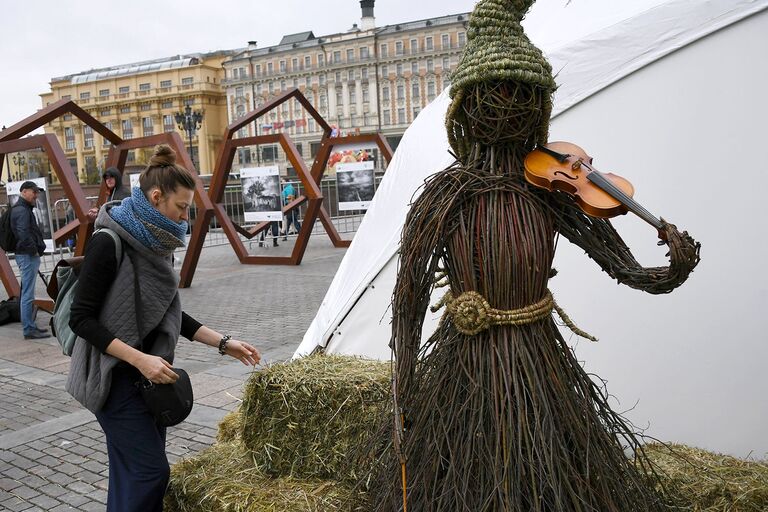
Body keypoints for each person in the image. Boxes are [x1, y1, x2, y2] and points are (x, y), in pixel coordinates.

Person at [66, 144, 261, 512]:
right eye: (182, 207)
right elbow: (81, 319)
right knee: (150, 473)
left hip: (148, 381)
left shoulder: (156, 245)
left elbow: (170, 312)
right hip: (112, 379)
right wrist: (141, 360)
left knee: (130, 473)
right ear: (156, 197)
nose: (185, 218)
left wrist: (224, 343)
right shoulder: (108, 241)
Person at [10, 181, 50, 340]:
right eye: (34, 192)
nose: (36, 195)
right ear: (24, 191)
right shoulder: (22, 211)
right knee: (27, 294)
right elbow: (23, 233)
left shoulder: (23, 209)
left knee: (27, 292)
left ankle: (30, 327)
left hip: (26, 255)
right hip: (27, 256)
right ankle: (28, 328)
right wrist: (34, 251)